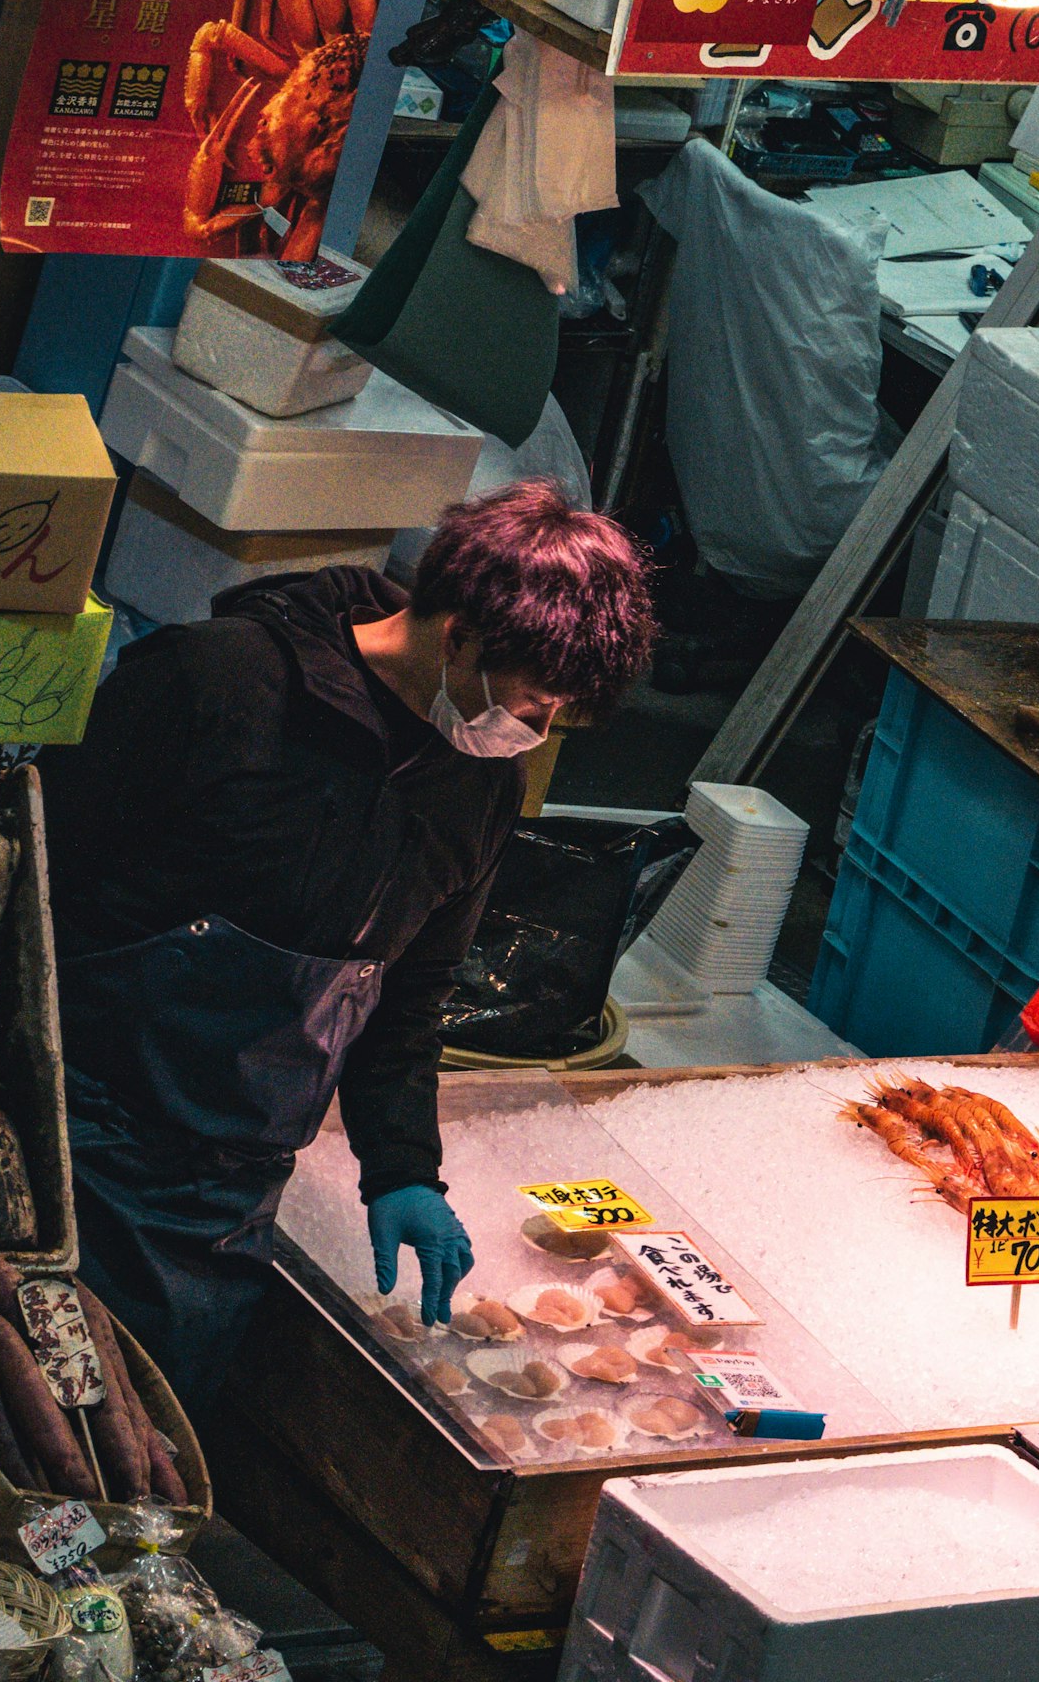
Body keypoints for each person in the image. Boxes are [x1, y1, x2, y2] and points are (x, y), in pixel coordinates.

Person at [38, 481, 656, 1404]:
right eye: (531, 704)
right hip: (64, 1136)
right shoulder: (214, 682)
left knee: (148, 1447)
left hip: (224, 1193)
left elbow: (405, 998)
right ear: (457, 636)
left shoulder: (477, 790)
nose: (532, 734)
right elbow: (31, 880)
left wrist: (403, 1169)